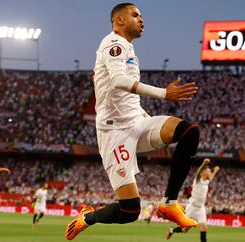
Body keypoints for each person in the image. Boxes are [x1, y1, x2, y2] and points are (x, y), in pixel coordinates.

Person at [65, 2, 199, 240]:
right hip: (114, 133)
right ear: (119, 21)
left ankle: (169, 203)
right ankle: (87, 217)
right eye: (136, 15)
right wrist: (164, 94)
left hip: (137, 122)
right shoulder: (113, 43)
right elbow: (118, 81)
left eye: (142, 16)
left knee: (188, 131)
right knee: (130, 211)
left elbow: (123, 96)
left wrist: (145, 116)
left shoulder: (127, 47)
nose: (141, 19)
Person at [166, 158, 220, 242]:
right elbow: (198, 172)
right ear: (203, 172)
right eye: (208, 171)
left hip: (201, 208)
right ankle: (172, 230)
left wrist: (215, 171)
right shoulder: (198, 181)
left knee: (204, 228)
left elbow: (211, 177)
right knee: (184, 230)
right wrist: (203, 163)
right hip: (192, 208)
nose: (210, 172)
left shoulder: (206, 182)